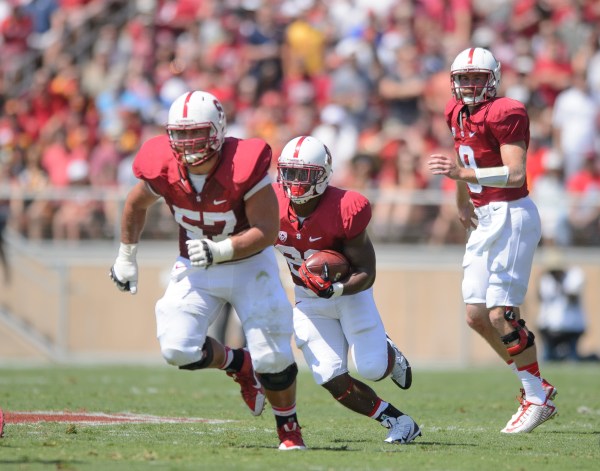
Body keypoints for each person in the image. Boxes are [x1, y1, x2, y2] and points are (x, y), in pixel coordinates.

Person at [109, 90, 306, 450]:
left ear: (217, 131)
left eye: (195, 132)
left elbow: (266, 229)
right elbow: (135, 204)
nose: (186, 142)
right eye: (179, 134)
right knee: (177, 348)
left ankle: (288, 428)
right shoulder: (162, 165)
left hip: (248, 263)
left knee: (273, 353)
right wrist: (126, 256)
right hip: (196, 266)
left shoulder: (242, 164)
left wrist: (221, 249)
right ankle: (239, 365)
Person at [427, 47, 557, 433]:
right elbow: (464, 161)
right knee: (476, 316)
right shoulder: (455, 111)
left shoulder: (507, 111)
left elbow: (515, 175)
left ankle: (537, 395)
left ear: (493, 79)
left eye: (477, 78)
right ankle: (535, 387)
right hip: (485, 216)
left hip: (511, 216)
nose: (469, 85)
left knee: (502, 313)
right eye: (463, 78)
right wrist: (462, 201)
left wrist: (461, 179)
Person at [273, 135, 421, 445]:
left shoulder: (346, 206)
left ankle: (389, 353)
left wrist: (337, 289)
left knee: (371, 367)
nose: (296, 181)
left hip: (350, 294)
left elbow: (367, 271)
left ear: (324, 174)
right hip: (307, 301)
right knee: (328, 375)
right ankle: (398, 420)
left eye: (305, 174)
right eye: (290, 172)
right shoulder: (269, 203)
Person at [536, 250, 595, 362]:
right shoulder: (547, 279)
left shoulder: (574, 275)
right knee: (548, 358)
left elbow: (572, 298)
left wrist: (560, 283)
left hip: (572, 326)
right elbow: (541, 298)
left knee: (572, 359)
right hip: (549, 327)